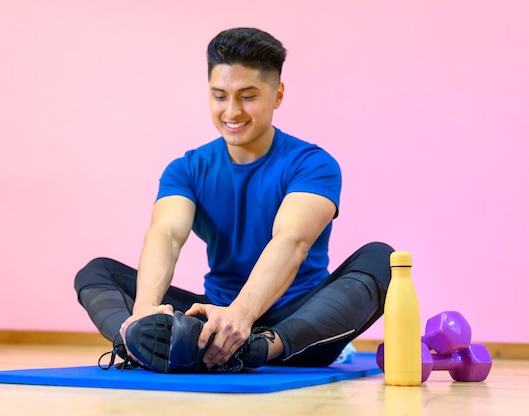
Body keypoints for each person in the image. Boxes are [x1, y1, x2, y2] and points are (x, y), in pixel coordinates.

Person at [74, 27, 394, 373]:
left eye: (247, 96)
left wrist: (242, 316)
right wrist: (145, 310)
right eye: (220, 96)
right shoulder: (186, 169)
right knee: (97, 273)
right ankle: (144, 344)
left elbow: (292, 241)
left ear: (278, 95)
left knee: (383, 259)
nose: (232, 111)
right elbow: (166, 235)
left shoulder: (312, 164)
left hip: (295, 324)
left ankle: (252, 349)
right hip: (214, 319)